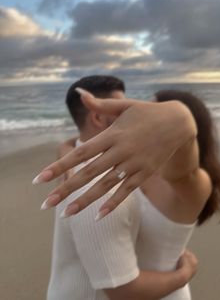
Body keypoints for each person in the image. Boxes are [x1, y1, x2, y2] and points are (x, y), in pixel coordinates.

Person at [46, 76, 198, 300]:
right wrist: (185, 274)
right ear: (98, 115)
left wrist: (66, 148)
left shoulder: (116, 167)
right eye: (122, 109)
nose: (133, 119)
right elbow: (124, 291)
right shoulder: (98, 190)